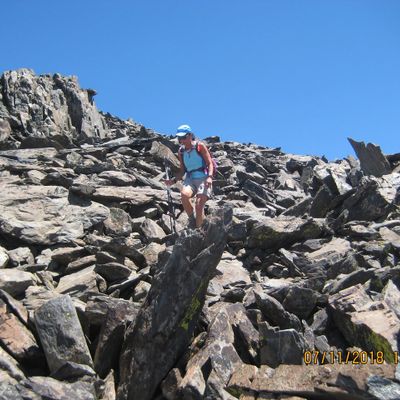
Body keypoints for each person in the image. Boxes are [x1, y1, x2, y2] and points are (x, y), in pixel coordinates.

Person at [165, 124, 214, 228]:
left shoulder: (200, 146)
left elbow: (209, 163)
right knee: (184, 195)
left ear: (190, 135)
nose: (181, 140)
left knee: (199, 205)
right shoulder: (181, 151)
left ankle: (199, 230)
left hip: (203, 178)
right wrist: (173, 181)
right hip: (190, 179)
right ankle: (192, 220)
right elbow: (182, 171)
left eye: (183, 137)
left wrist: (210, 177)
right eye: (179, 138)